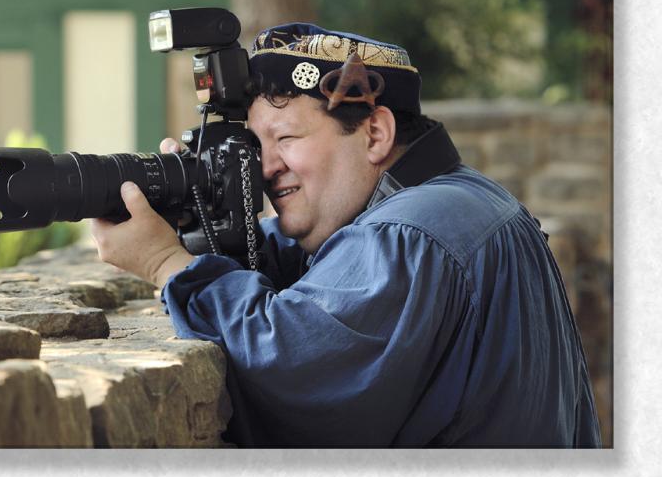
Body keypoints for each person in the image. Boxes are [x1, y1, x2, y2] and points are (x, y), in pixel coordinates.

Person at [91, 23, 602, 448]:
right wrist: (196, 218)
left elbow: (289, 360)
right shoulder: (462, 198)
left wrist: (164, 264)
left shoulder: (408, 234)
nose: (265, 167)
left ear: (374, 134)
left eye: (287, 138)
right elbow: (302, 265)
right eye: (256, 143)